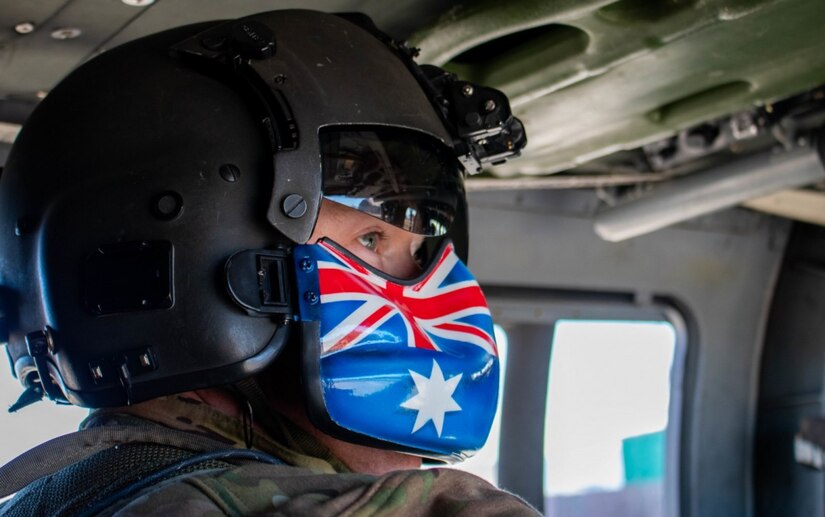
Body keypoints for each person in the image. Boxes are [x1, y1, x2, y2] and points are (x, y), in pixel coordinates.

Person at [0, 9, 533, 515]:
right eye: (371, 240)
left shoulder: (65, 494)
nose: (445, 293)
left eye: (419, 253)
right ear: (196, 268)